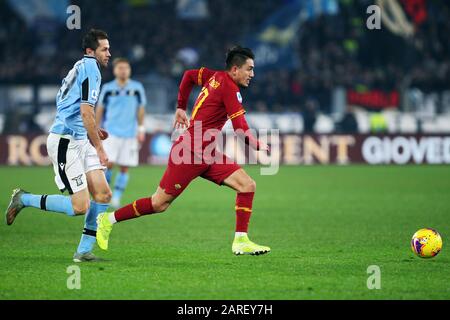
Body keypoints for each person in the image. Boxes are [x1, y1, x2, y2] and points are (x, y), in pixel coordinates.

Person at [96, 46, 271, 255]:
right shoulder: (230, 89)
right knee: (159, 203)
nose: (252, 74)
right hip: (188, 153)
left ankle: (241, 240)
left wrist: (180, 106)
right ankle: (107, 219)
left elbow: (188, 76)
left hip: (207, 152)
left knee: (247, 185)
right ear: (235, 69)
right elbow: (240, 128)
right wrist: (257, 144)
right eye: (249, 69)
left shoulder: (212, 76)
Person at [5, 29, 112, 263]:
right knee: (80, 206)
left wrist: (91, 129)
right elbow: (85, 112)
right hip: (66, 142)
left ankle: (83, 251)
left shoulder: (79, 66)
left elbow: (73, 107)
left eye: (108, 48)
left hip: (79, 137)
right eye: (104, 49)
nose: (109, 54)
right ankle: (24, 198)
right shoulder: (92, 69)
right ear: (90, 51)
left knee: (103, 194)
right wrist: (100, 148)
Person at [96, 58, 147, 209]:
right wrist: (96, 128)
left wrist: (141, 129)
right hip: (111, 133)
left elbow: (141, 109)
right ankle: (106, 192)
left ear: (129, 70)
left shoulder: (137, 88)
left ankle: (116, 197)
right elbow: (100, 108)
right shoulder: (108, 88)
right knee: (108, 164)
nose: (123, 70)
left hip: (130, 133)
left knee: (125, 167)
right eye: (120, 68)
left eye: (126, 68)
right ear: (115, 70)